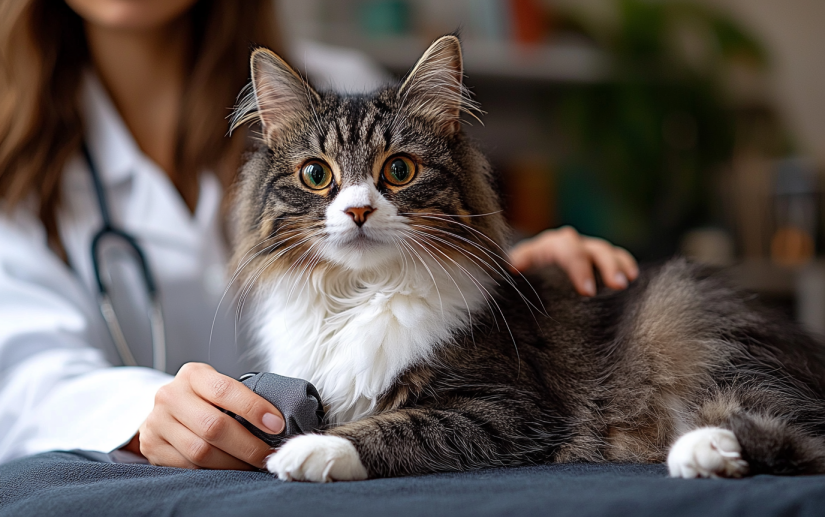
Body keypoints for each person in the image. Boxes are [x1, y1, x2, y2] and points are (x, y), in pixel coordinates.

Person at [0, 0, 638, 471]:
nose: (353, 198)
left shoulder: (341, 81)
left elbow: (426, 216)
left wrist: (517, 278)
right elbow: (22, 376)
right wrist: (144, 412)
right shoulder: (14, 149)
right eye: (315, 175)